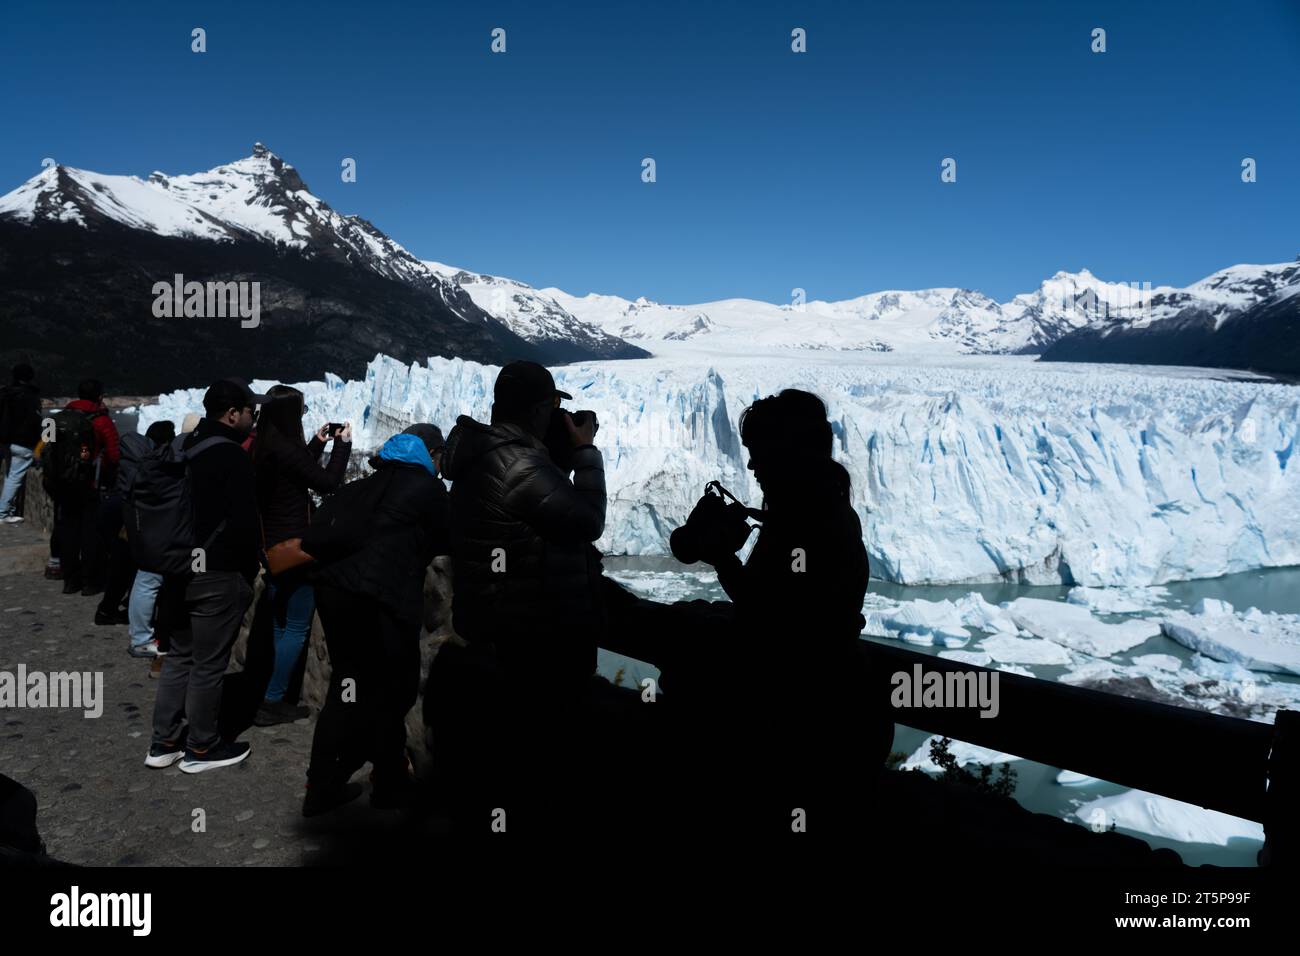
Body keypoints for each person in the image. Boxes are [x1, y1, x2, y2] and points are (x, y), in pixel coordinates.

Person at [604, 389, 891, 836]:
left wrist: (723, 559)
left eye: (760, 454)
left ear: (788, 452)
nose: (754, 466)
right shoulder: (822, 507)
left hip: (797, 707)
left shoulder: (807, 520)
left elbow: (779, 620)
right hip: (829, 695)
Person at [433, 360, 606, 828]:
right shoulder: (518, 463)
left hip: (500, 624)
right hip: (535, 634)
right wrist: (586, 452)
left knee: (512, 750)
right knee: (541, 757)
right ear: (537, 411)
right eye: (551, 408)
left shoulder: (487, 455)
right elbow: (588, 520)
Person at [302, 424, 450, 816]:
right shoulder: (428, 490)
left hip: (335, 595)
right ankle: (385, 784)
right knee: (393, 692)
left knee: (345, 689)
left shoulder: (362, 486)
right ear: (431, 455)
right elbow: (448, 540)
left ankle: (322, 786)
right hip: (380, 602)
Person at [147, 379, 264, 774]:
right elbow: (246, 523)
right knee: (209, 664)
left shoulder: (185, 447)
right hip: (217, 572)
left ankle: (163, 742)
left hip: (179, 568)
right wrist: (247, 574)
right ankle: (201, 747)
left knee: (180, 656)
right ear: (233, 413)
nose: (253, 418)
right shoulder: (231, 456)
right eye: (251, 411)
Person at [251, 385, 350, 726]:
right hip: (296, 550)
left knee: (281, 623)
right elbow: (327, 483)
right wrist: (342, 445)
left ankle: (274, 692)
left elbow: (293, 473)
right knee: (295, 627)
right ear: (291, 415)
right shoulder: (283, 447)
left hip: (273, 550)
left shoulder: (265, 444)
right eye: (302, 413)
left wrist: (317, 444)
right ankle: (273, 700)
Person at [48, 378, 120, 595]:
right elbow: (114, 455)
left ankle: (70, 579)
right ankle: (91, 581)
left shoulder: (58, 419)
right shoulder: (101, 420)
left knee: (68, 530)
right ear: (99, 396)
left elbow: (45, 448)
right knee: (91, 532)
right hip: (90, 484)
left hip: (62, 484)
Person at [125, 420, 177, 658]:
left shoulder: (140, 463)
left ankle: (140, 637)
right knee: (149, 581)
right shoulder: (160, 465)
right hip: (157, 532)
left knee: (145, 580)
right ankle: (141, 640)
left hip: (140, 528)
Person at [0, 364, 41, 524]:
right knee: (14, 477)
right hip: (24, 442)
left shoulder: (6, 393)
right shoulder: (30, 396)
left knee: (10, 474)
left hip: (6, 441)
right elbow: (35, 421)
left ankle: (8, 510)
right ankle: (3, 513)